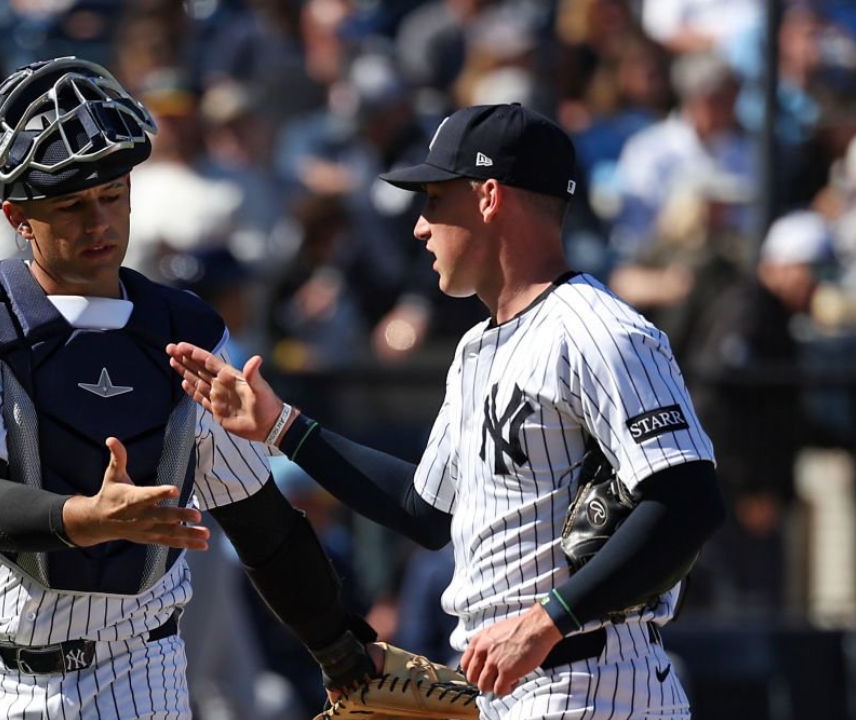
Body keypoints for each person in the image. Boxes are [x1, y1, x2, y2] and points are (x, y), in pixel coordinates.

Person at [169, 103, 726, 719]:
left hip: (594, 680)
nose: (420, 227)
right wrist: (281, 427)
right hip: (515, 685)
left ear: (489, 197)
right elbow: (424, 510)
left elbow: (689, 499)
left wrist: (546, 621)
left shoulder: (600, 332)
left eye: (434, 200)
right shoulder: (476, 348)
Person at [0, 57, 395, 719]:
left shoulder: (185, 331)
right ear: (18, 214)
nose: (99, 223)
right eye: (71, 205)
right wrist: (89, 520)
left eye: (113, 195)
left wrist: (344, 656)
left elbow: (262, 523)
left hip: (142, 673)